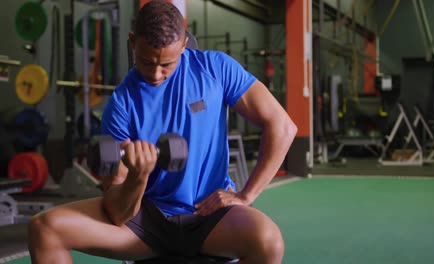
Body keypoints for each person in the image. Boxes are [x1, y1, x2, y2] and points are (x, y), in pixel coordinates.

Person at [27, 1, 297, 263]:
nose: (156, 74)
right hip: (147, 221)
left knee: (269, 243)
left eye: (166, 64)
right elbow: (118, 214)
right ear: (133, 42)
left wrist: (246, 195)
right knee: (44, 230)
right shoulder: (122, 103)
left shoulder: (215, 68)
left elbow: (283, 126)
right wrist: (138, 176)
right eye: (146, 62)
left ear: (183, 45)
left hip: (209, 215)